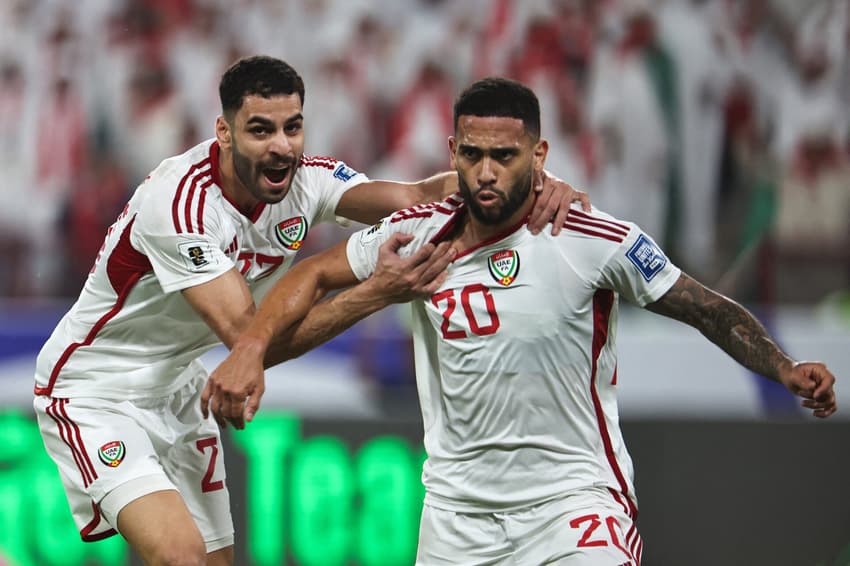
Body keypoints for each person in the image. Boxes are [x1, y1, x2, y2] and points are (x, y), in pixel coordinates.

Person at [207, 77, 838, 565]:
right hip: (455, 519)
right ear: (452, 150)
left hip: (572, 506)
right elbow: (309, 273)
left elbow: (707, 308)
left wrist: (783, 366)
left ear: (538, 153)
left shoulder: (589, 237)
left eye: (504, 157)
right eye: (473, 154)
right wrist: (251, 345)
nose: (485, 172)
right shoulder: (417, 232)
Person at [32, 56, 587, 566]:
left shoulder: (308, 182)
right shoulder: (178, 206)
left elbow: (420, 192)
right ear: (223, 133)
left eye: (292, 127)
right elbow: (252, 341)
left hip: (177, 386)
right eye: (260, 130)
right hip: (94, 389)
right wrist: (375, 293)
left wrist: (536, 183)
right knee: (181, 558)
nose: (281, 147)